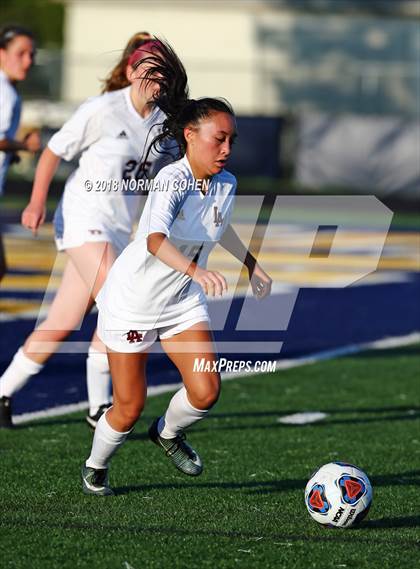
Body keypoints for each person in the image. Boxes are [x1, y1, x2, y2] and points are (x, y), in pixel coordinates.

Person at [81, 97, 273, 496]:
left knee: (206, 391)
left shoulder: (227, 183)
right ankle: (95, 465)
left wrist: (251, 265)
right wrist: (196, 270)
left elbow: (219, 229)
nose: (227, 150)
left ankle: (167, 433)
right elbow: (154, 240)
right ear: (190, 135)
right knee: (128, 407)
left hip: (180, 299)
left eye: (231, 141)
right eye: (219, 139)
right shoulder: (173, 179)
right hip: (133, 302)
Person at [0, 35, 189, 429]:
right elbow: (53, 152)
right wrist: (36, 202)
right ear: (131, 71)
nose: (157, 80)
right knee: (121, 302)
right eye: (149, 71)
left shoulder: (163, 125)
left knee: (62, 322)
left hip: (119, 230)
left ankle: (3, 390)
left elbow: (165, 179)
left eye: (163, 73)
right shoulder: (103, 109)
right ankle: (100, 406)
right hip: (84, 218)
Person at [0, 25, 41, 283]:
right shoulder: (5, 91)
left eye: (32, 55)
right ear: (2, 54)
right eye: (21, 53)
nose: (28, 61)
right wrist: (24, 146)